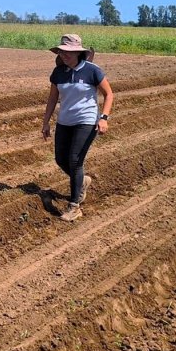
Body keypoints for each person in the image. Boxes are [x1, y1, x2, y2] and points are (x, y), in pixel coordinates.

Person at [41, 34, 114, 222]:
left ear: (77, 53)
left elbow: (109, 94)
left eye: (67, 52)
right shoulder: (58, 73)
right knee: (60, 159)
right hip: (65, 120)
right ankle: (82, 181)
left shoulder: (92, 71)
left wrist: (103, 118)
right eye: (61, 52)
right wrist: (46, 122)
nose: (63, 55)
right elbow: (52, 99)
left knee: (75, 160)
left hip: (87, 120)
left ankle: (74, 206)